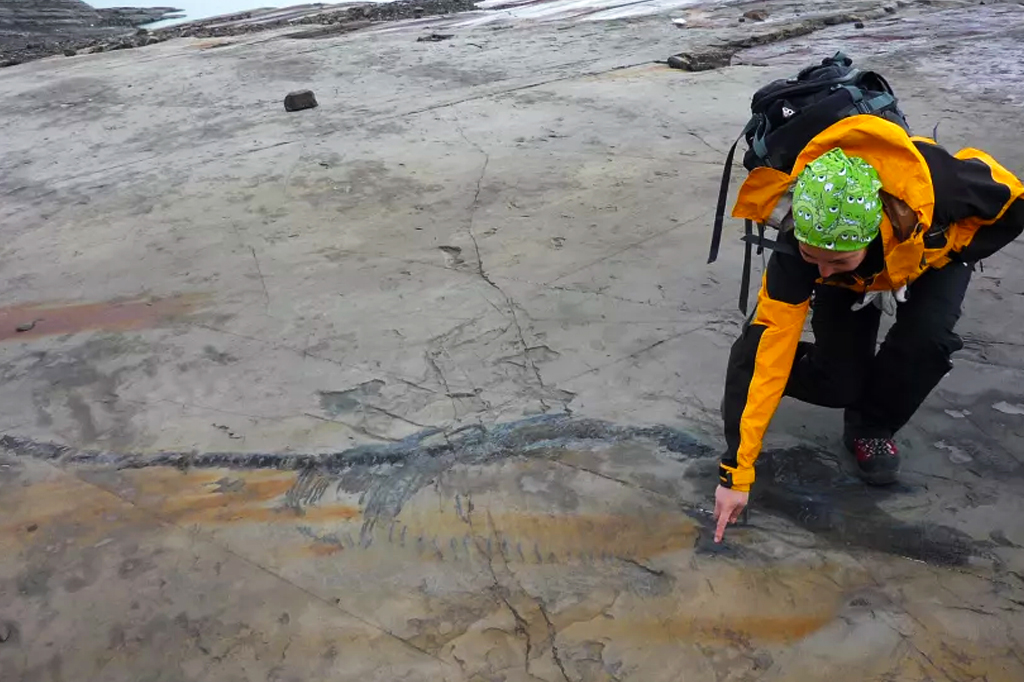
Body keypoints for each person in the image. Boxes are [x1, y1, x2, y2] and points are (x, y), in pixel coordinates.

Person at [713, 114, 1024, 543]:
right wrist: (736, 474)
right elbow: (778, 331)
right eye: (812, 256)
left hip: (930, 251)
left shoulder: (945, 187)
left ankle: (872, 426)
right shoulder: (801, 252)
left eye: (835, 260)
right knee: (832, 380)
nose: (821, 271)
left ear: (872, 234)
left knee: (928, 340)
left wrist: (960, 250)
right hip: (862, 271)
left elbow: (1014, 199)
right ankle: (755, 374)